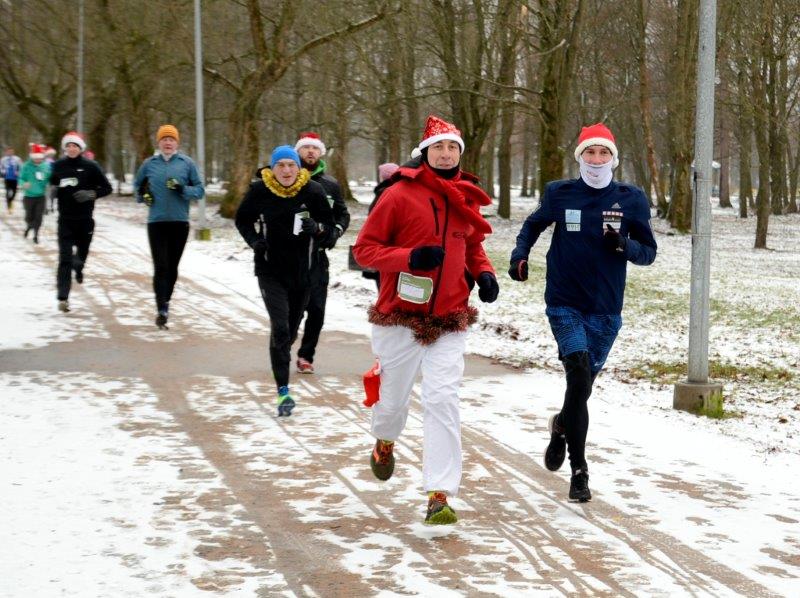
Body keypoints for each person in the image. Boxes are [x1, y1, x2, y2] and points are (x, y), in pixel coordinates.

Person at [352, 115, 499, 525]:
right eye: (439, 147)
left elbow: (473, 245)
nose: (446, 154)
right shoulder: (399, 195)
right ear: (425, 152)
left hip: (449, 317)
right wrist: (410, 258)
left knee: (442, 400)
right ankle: (384, 440)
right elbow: (364, 250)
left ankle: (440, 493)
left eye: (453, 147)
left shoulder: (465, 197)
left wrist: (484, 273)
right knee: (392, 402)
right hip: (399, 316)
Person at [508, 123, 657, 502]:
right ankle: (580, 471)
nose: (596, 159)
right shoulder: (559, 193)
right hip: (564, 302)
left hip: (606, 309)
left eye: (603, 152)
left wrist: (624, 245)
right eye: (590, 152)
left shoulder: (631, 199)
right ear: (579, 156)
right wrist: (519, 255)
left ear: (613, 158)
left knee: (582, 388)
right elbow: (532, 225)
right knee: (577, 376)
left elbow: (649, 253)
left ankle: (561, 425)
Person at [235, 145, 335, 416]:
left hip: (304, 273)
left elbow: (330, 230)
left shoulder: (313, 191)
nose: (287, 170)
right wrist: (255, 241)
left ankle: (280, 354)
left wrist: (318, 229)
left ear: (298, 167)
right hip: (270, 271)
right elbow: (242, 220)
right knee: (280, 329)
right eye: (281, 165)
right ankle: (283, 392)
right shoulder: (260, 190)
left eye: (291, 165)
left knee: (289, 333)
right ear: (272, 168)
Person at [133, 125, 205, 329]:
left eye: (171, 139)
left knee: (172, 267)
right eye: (164, 139)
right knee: (160, 266)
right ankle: (161, 309)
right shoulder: (149, 164)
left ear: (177, 143)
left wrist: (182, 189)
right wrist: (144, 196)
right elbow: (137, 187)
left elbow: (200, 190)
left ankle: (166, 299)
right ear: (159, 142)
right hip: (156, 222)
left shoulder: (186, 163)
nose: (167, 142)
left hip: (179, 223)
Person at [291, 132, 350, 374]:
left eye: (314, 148)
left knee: (317, 310)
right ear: (298, 151)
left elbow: (342, 214)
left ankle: (306, 356)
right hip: (291, 256)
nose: (310, 152)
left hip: (317, 256)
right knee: (292, 311)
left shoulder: (330, 184)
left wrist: (335, 231)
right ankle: (284, 344)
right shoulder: (288, 178)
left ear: (320, 152)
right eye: (305, 148)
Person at [50, 131, 113, 313]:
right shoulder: (58, 166)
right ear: (65, 148)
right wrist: (54, 191)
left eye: (75, 146)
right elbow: (53, 183)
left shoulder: (91, 166)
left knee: (80, 257)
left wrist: (91, 194)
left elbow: (107, 188)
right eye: (68, 146)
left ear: (80, 148)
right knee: (65, 259)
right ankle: (63, 297)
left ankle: (79, 268)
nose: (71, 149)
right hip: (65, 220)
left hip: (85, 220)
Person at [360, 162, 400, 289]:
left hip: (384, 249)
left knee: (385, 287)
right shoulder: (399, 191)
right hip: (394, 251)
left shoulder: (385, 193)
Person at [18, 144, 51, 243]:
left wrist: (50, 183)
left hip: (41, 196)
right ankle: (29, 227)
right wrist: (24, 183)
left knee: (38, 217)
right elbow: (20, 178)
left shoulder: (45, 166)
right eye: (36, 158)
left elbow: (50, 178)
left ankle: (36, 235)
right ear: (32, 157)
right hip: (28, 196)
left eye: (40, 158)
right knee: (29, 217)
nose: (38, 160)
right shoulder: (26, 166)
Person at [1, 147, 22, 213]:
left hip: (15, 179)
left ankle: (11, 201)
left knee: (14, 192)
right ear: (6, 152)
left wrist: (18, 172)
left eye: (11, 151)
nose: (10, 152)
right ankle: (9, 206)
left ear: (13, 152)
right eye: (9, 151)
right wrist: (3, 172)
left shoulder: (17, 159)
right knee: (8, 192)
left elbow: (21, 167)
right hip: (7, 178)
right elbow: (1, 167)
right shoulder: (3, 159)